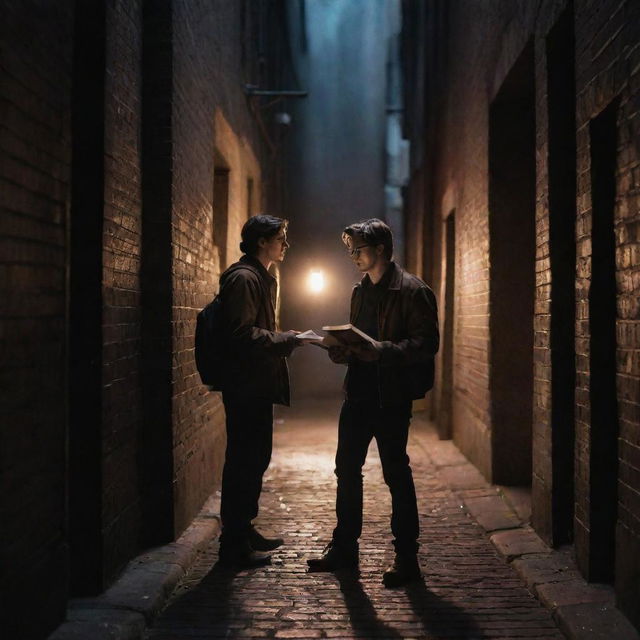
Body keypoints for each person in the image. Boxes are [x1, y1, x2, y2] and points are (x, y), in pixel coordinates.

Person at [307, 218, 439, 587]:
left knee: (397, 474)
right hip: (358, 394)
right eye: (349, 250)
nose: (353, 256)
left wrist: (380, 352)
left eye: (358, 249)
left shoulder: (413, 291)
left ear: (380, 248)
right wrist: (342, 352)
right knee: (346, 471)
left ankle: (407, 558)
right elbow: (360, 341)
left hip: (392, 398)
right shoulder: (359, 291)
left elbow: (426, 345)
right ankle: (345, 549)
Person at [216, 214, 305, 568]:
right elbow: (239, 334)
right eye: (281, 237)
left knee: (255, 458)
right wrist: (285, 339)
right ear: (262, 242)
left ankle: (243, 529)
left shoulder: (260, 277)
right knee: (244, 460)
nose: (285, 244)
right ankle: (232, 543)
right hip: (245, 385)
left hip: (255, 383)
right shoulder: (243, 279)